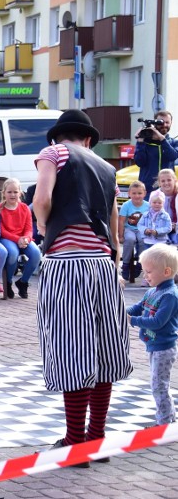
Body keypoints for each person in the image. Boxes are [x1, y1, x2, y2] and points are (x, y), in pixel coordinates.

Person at [32, 109, 132, 461]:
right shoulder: (108, 168)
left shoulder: (53, 154)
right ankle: (96, 438)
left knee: (72, 351)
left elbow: (42, 200)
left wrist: (44, 227)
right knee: (104, 353)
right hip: (103, 265)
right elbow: (113, 224)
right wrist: (114, 266)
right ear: (88, 139)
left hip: (67, 264)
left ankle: (76, 441)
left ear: (59, 136)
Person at [127, 244, 178, 426]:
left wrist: (132, 320)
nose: (145, 276)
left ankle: (164, 423)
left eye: (148, 272)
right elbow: (137, 307)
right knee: (159, 384)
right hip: (154, 345)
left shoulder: (170, 295)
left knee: (159, 385)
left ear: (166, 271)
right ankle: (168, 418)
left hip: (164, 347)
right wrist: (120, 312)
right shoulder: (152, 291)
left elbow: (158, 322)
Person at [0, 178, 41, 299]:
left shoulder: (25, 208)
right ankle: (9, 282)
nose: (12, 195)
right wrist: (18, 239)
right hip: (8, 238)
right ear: (4, 193)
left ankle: (23, 282)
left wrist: (26, 239)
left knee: (36, 253)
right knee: (13, 254)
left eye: (15, 192)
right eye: (9, 192)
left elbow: (29, 228)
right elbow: (2, 231)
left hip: (23, 238)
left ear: (20, 193)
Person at [134, 110, 176, 194]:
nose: (164, 125)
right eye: (161, 122)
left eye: (167, 122)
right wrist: (140, 142)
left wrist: (162, 140)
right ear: (155, 124)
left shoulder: (173, 142)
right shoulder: (145, 143)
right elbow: (139, 162)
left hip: (168, 190)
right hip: (148, 190)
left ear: (171, 123)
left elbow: (173, 156)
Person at [118, 180, 149, 281]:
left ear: (144, 193)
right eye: (134, 193)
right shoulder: (126, 205)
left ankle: (140, 262)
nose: (137, 196)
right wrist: (121, 235)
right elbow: (121, 221)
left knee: (142, 240)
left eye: (139, 193)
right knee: (130, 239)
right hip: (129, 228)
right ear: (129, 194)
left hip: (142, 229)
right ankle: (126, 264)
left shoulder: (147, 206)